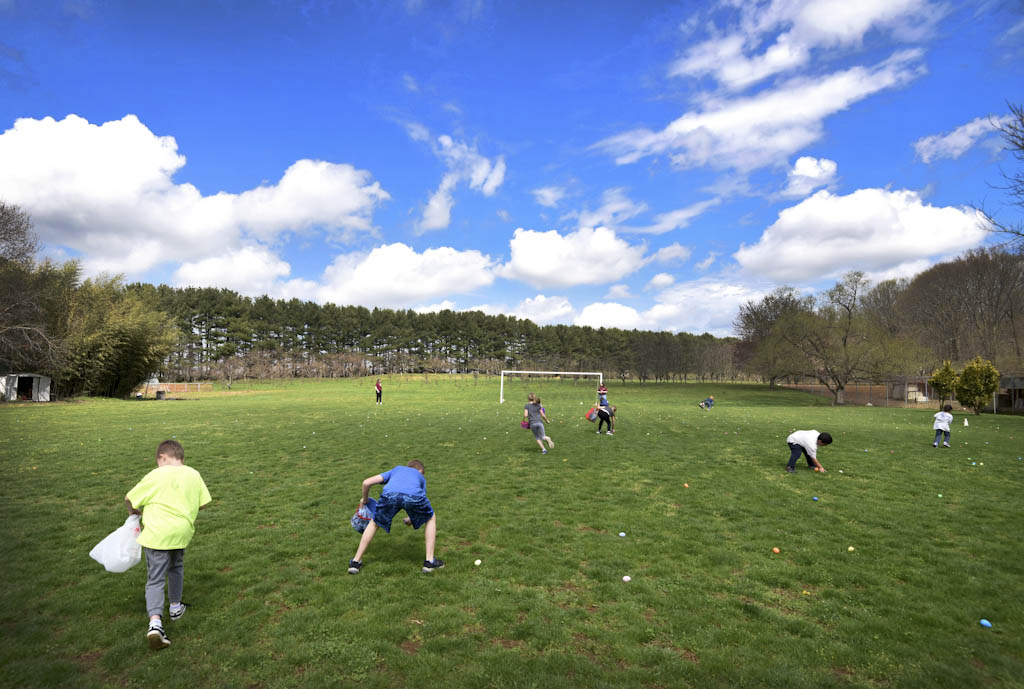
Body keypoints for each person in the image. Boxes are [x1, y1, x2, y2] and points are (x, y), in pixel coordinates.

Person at [125, 440, 212, 650]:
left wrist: (134, 512)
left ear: (163, 457)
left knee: (155, 578)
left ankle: (155, 624)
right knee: (176, 566)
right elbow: (202, 503)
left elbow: (130, 498)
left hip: (157, 534)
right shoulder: (194, 474)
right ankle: (175, 606)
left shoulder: (156, 475)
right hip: (181, 532)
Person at [348, 459, 443, 574]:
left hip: (390, 495)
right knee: (430, 517)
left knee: (374, 523)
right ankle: (429, 562)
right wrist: (410, 519)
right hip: (413, 498)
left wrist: (365, 499)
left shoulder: (396, 469)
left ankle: (355, 562)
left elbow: (366, 482)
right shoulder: (419, 476)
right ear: (420, 470)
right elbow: (415, 500)